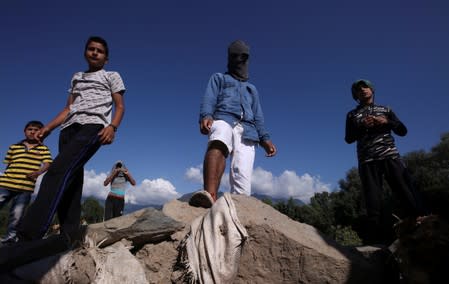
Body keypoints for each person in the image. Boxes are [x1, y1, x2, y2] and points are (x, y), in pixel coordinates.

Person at [16, 36, 126, 242]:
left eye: (99, 51)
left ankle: (28, 235)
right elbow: (68, 108)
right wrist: (48, 127)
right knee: (73, 179)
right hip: (67, 129)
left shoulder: (111, 75)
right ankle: (69, 234)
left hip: (93, 126)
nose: (94, 52)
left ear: (106, 58)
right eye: (91, 49)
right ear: (85, 52)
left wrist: (113, 126)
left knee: (56, 171)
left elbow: (120, 106)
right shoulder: (77, 77)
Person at [191, 40, 277, 208]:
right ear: (229, 58)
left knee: (242, 174)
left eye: (243, 56)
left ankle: (239, 210)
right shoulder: (219, 78)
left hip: (249, 131)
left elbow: (258, 115)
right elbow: (209, 98)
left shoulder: (252, 89)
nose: (239, 60)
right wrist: (206, 115)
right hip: (224, 118)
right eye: (235, 56)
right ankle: (209, 196)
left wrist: (265, 139)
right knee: (219, 139)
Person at [345, 79, 423, 244]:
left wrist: (386, 121)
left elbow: (402, 131)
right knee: (372, 200)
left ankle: (421, 224)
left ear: (372, 90)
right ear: (356, 96)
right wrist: (362, 127)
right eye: (358, 90)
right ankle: (374, 242)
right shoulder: (351, 114)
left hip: (390, 156)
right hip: (367, 160)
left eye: (365, 87)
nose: (363, 90)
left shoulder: (386, 109)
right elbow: (348, 139)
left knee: (405, 191)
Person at [0, 121, 52, 244]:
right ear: (25, 131)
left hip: (25, 188)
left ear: (41, 132)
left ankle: (10, 239)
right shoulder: (14, 147)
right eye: (30, 129)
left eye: (36, 130)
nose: (32, 132)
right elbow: (8, 164)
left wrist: (38, 172)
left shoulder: (43, 149)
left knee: (17, 215)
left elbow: (48, 163)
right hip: (6, 184)